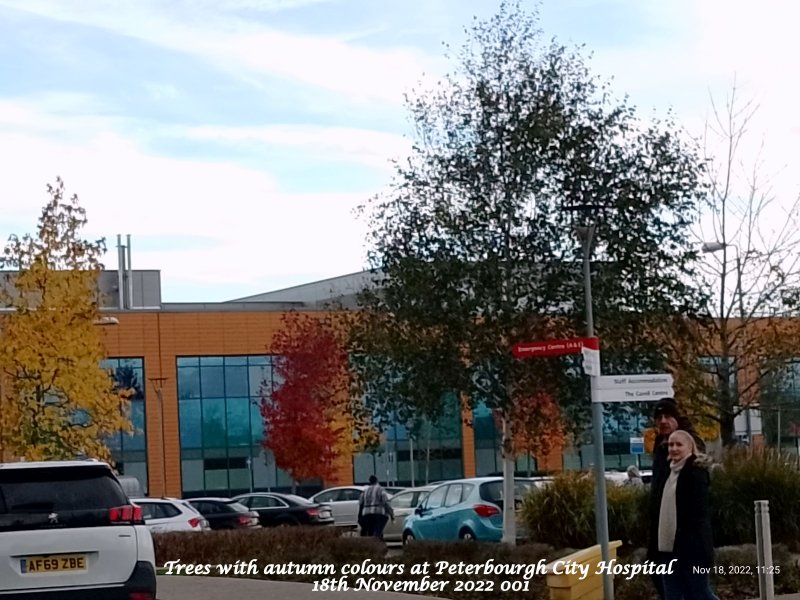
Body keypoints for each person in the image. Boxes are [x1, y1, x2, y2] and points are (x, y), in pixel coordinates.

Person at [647, 397, 706, 599]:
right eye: (659, 417)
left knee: (697, 591)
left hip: (684, 539)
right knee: (666, 582)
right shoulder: (661, 445)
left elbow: (696, 508)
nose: (663, 421)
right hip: (663, 531)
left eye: (668, 416)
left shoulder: (693, 466)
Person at [654, 429, 719, 600]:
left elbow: (698, 514)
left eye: (678, 444)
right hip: (666, 548)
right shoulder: (667, 473)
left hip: (692, 549)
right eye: (670, 445)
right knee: (672, 595)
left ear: (690, 448)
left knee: (700, 593)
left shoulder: (696, 474)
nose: (673, 448)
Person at [358, 475, 394, 539]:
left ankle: (372, 544)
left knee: (370, 531)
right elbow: (386, 502)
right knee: (378, 530)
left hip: (366, 514)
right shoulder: (380, 489)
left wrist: (360, 516)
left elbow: (361, 504)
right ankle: (377, 540)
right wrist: (391, 514)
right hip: (379, 513)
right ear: (377, 481)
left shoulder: (365, 491)